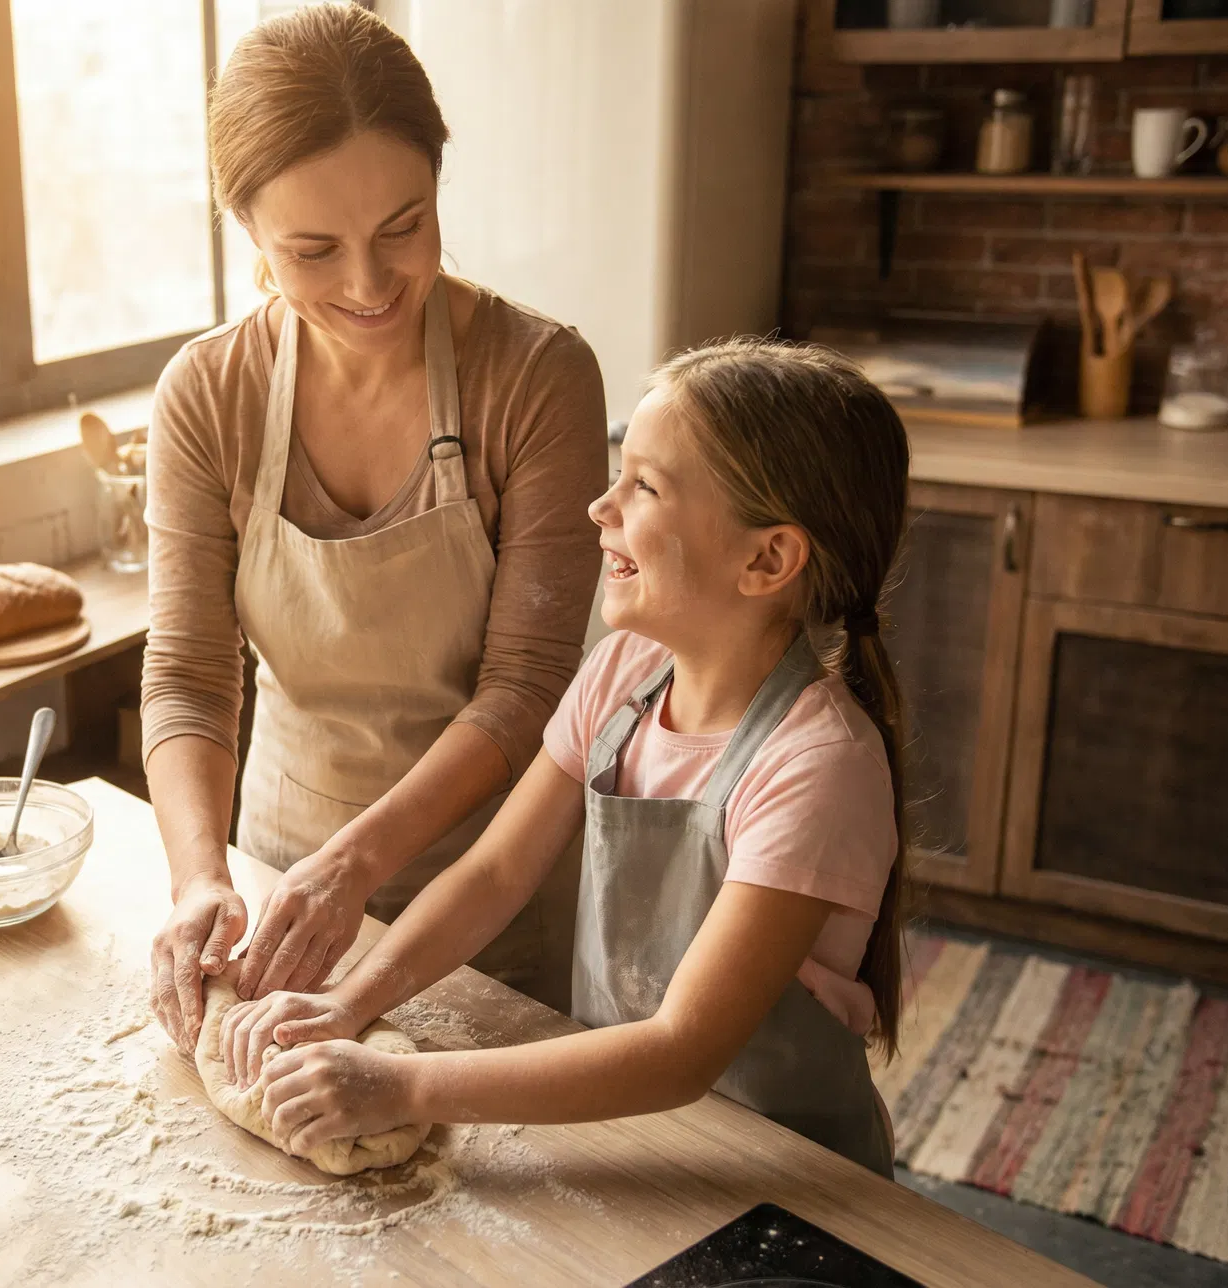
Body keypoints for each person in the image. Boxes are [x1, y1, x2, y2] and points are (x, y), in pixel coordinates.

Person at [215, 338, 911, 1177]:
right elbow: (495, 875)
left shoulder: (817, 767)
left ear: (766, 559)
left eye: (644, 486)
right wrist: (347, 1005)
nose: (600, 507)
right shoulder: (624, 674)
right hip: (630, 1131)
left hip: (783, 1174)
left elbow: (680, 1050)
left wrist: (402, 1086)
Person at [142, 5, 607, 1053]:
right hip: (274, 887)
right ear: (249, 233)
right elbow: (187, 673)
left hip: (486, 894)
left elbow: (528, 686)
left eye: (404, 226)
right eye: (313, 249)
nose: (367, 284)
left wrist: (357, 864)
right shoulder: (207, 394)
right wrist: (200, 875)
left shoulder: (535, 377)